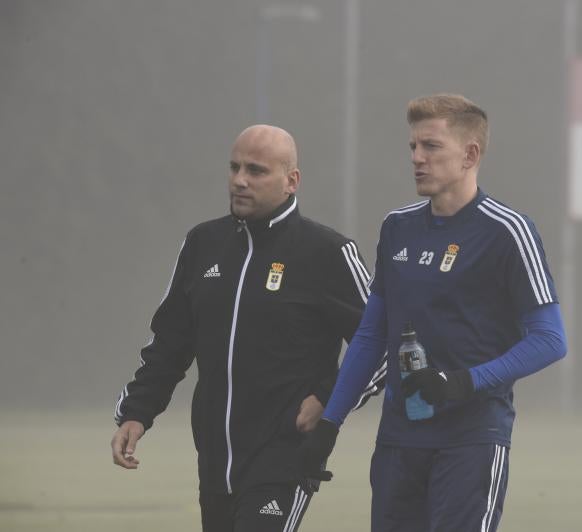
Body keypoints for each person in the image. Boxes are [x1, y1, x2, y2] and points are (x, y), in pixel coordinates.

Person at [299, 94, 568, 532]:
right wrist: (331, 423)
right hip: (398, 444)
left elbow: (550, 340)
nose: (417, 159)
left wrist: (463, 382)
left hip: (471, 442)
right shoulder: (397, 227)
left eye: (431, 147)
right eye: (412, 147)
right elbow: (371, 336)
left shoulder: (509, 231)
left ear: (470, 154)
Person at [110, 125, 386, 532]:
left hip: (286, 459)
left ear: (291, 181)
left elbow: (382, 343)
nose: (240, 180)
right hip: (215, 460)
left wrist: (330, 399)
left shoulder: (327, 252)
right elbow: (171, 342)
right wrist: (137, 412)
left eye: (256, 171)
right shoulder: (203, 243)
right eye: (234, 167)